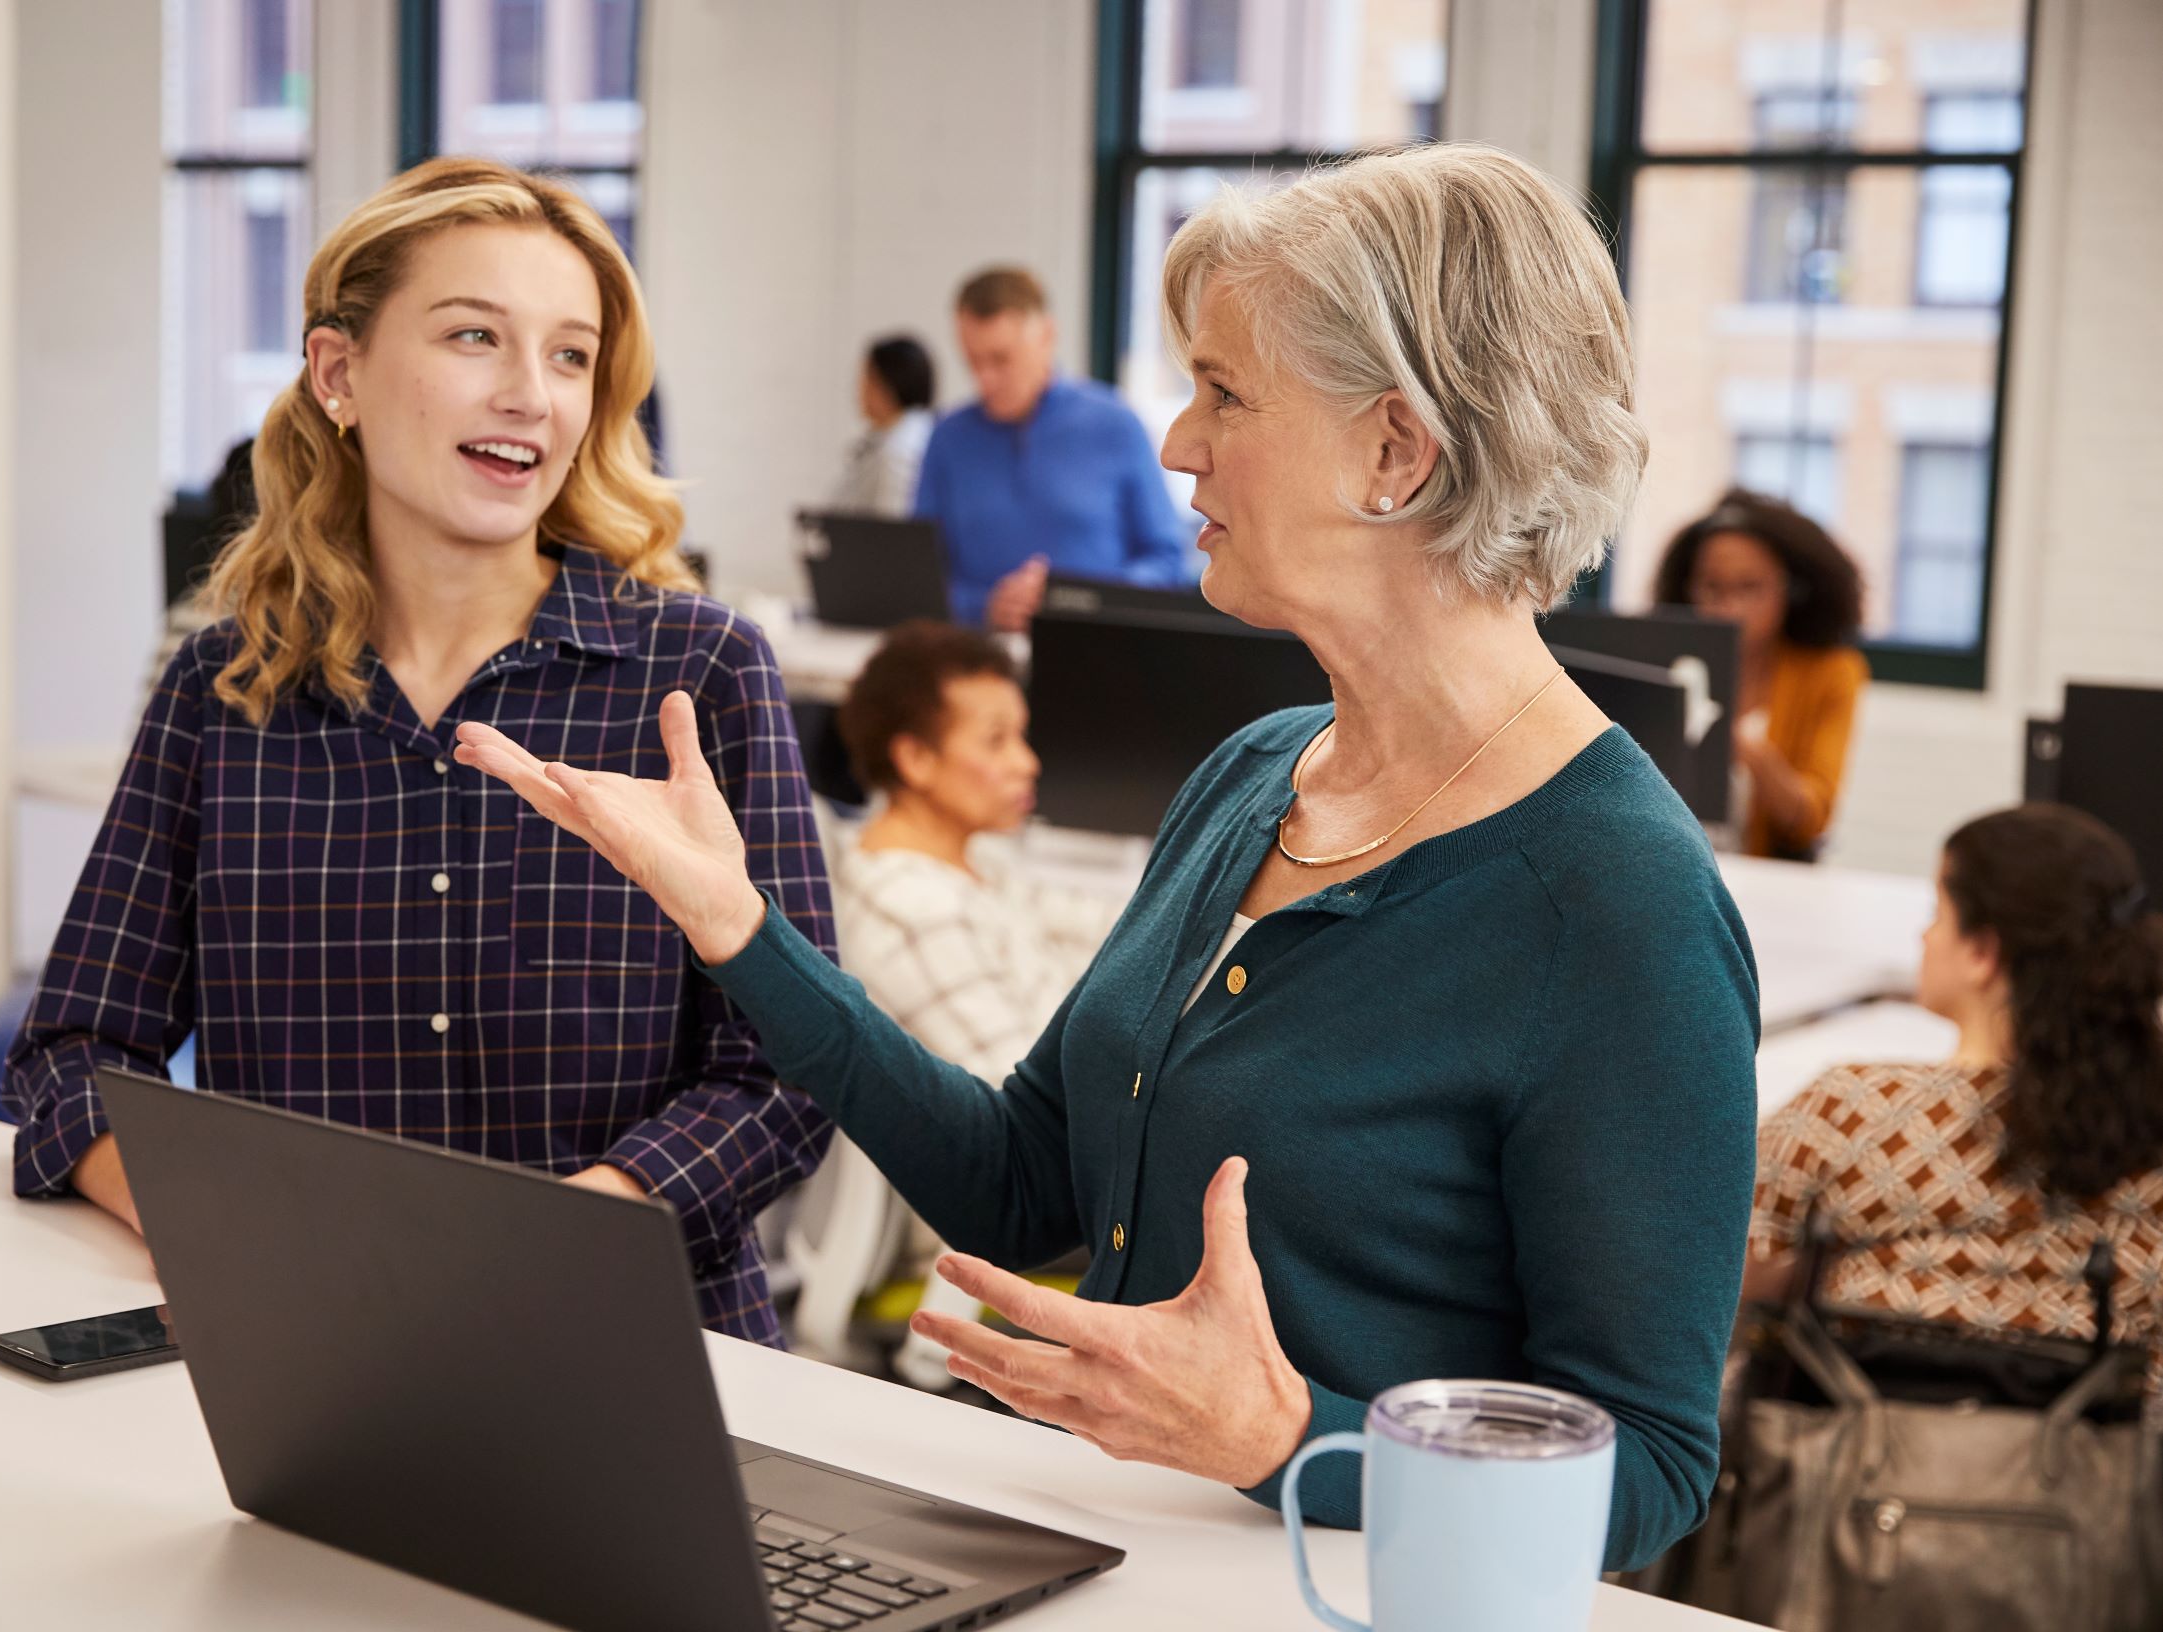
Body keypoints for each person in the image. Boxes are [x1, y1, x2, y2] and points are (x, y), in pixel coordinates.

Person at [455, 143, 1757, 1573]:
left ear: (1395, 452)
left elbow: (1650, 1467)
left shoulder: (1617, 901)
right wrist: (737, 926)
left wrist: (1287, 1438)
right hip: (1098, 1559)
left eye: (1227, 393)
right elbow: (1019, 1182)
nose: (1176, 444)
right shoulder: (1255, 778)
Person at [3, 157, 837, 1345]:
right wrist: (229, 1231)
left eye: (568, 356)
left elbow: (791, 1074)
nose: (531, 397)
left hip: (637, 1347)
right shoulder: (222, 692)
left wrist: (563, 1239)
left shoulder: (699, 678)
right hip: (311, 1360)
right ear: (338, 371)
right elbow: (72, 1053)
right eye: (473, 338)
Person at [1745, 804, 2163, 1397]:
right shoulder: (2147, 1131)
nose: (1923, 935)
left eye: (1935, 913)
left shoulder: (1850, 1113)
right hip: (2096, 1474)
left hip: (1850, 1472)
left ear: (1982, 952)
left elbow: (1716, 1285)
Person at [820, 621, 1122, 1386]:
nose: (1026, 763)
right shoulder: (912, 907)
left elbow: (1114, 934)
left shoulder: (970, 871)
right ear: (914, 759)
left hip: (1061, 1195)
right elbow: (1024, 1127)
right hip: (1013, 1231)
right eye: (994, 741)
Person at [912, 267, 1193, 631]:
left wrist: (1085, 602)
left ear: (1046, 336)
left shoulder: (1116, 426)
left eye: (1000, 359)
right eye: (973, 361)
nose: (985, 379)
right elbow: (919, 579)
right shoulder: (947, 438)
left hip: (1099, 652)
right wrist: (985, 607)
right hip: (978, 659)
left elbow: (1167, 561)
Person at [1653, 489, 1868, 860]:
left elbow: (1813, 817)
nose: (1728, 607)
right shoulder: (1663, 660)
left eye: (1749, 587)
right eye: (1712, 587)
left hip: (1766, 876)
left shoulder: (1832, 672)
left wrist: (1745, 748)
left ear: (1791, 592)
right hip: (1669, 863)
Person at [828, 334, 936, 517]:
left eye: (867, 377)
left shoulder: (901, 451)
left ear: (888, 384)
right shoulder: (893, 438)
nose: (860, 386)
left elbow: (891, 530)